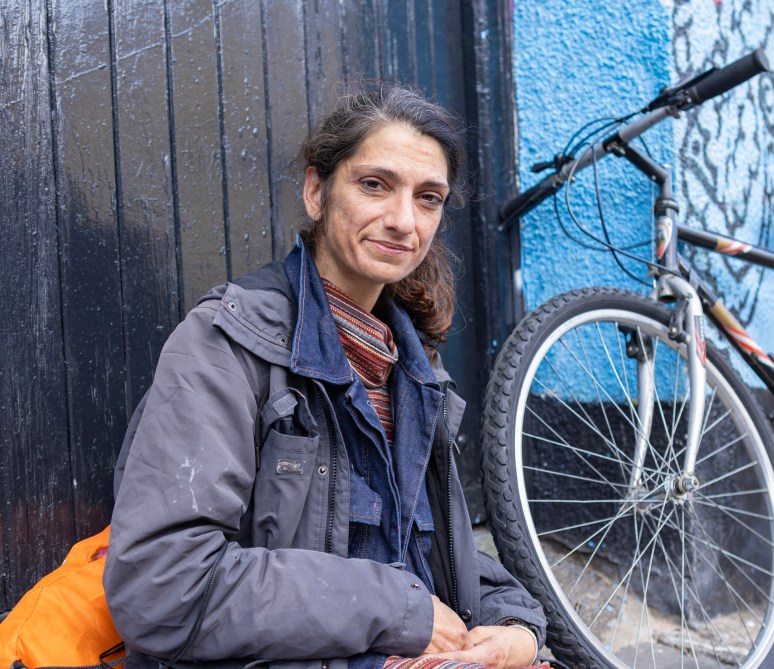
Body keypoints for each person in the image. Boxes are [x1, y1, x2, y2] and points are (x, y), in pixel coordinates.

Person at [103, 84, 547, 669]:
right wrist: (396, 608)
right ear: (317, 191)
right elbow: (163, 588)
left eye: (429, 198)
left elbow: (431, 555)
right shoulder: (227, 342)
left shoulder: (413, 370)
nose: (402, 221)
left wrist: (516, 624)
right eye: (374, 185)